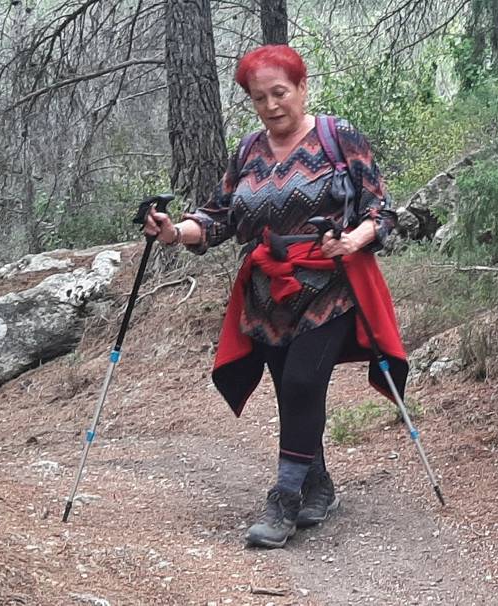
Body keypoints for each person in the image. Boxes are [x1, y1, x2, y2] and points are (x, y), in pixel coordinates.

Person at [144, 45, 408, 549]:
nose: (270, 105)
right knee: (289, 388)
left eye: (279, 93)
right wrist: (174, 232)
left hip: (330, 283)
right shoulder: (247, 151)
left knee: (306, 380)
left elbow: (382, 210)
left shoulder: (339, 137)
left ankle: (284, 499)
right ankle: (319, 486)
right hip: (266, 294)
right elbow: (219, 217)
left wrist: (355, 239)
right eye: (258, 97)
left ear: (302, 87)